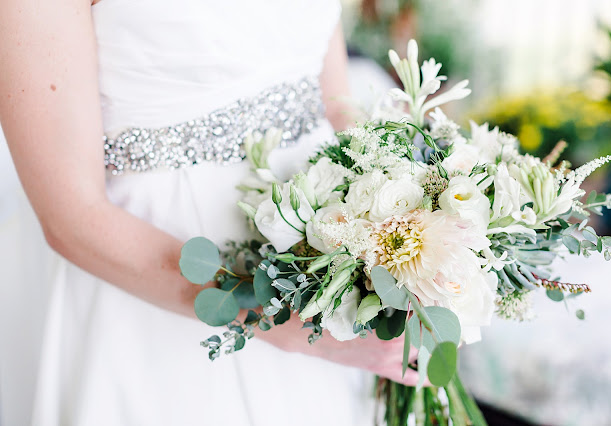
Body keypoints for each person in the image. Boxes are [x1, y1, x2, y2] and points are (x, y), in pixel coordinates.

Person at [0, 1, 425, 425]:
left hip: (327, 261)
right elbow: (71, 218)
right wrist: (285, 324)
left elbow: (331, 103)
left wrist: (417, 219)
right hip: (161, 306)